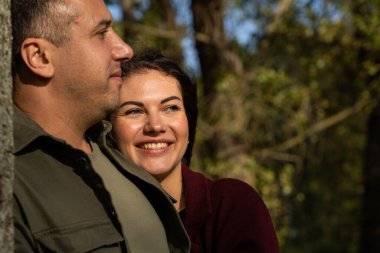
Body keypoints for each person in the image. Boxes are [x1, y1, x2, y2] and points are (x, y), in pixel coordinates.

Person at [11, 1, 189, 252]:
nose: (125, 50)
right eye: (102, 33)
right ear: (40, 57)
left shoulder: (113, 152)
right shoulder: (12, 177)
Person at [111, 52, 280, 253]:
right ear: (109, 129)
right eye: (133, 111)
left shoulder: (233, 205)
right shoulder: (95, 215)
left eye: (171, 108)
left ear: (189, 124)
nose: (155, 126)